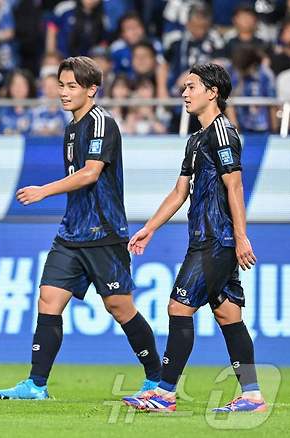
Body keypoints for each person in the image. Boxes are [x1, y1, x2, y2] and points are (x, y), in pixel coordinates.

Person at [0, 57, 161, 401]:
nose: (64, 92)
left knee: (120, 307)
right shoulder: (72, 127)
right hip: (72, 232)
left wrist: (43, 190)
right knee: (48, 299)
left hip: (103, 232)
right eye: (61, 85)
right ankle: (36, 384)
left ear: (91, 89)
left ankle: (156, 378)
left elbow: (90, 173)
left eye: (72, 86)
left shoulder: (101, 123)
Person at [123, 63, 266, 413]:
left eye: (191, 87)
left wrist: (240, 236)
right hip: (205, 237)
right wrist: (151, 226)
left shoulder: (223, 133)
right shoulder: (196, 138)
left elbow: (235, 185)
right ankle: (252, 396)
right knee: (229, 316)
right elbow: (179, 191)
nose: (184, 93)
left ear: (212, 92)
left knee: (178, 307)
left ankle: (165, 393)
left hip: (216, 239)